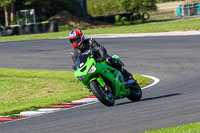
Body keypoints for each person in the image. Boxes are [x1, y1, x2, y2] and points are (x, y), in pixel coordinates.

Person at [69, 29, 133, 80]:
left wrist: (102, 56)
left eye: (76, 40)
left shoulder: (90, 42)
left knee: (109, 60)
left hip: (100, 59)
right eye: (72, 41)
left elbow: (100, 48)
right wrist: (76, 68)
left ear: (81, 37)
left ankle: (126, 74)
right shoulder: (74, 53)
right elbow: (77, 64)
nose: (75, 42)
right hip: (89, 66)